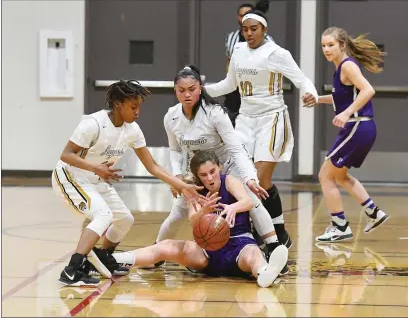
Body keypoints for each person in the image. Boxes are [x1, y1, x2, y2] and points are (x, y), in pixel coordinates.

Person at [52, 80, 204, 287]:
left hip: (96, 179)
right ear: (117, 104)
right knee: (103, 215)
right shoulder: (93, 124)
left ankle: (102, 257)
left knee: (125, 219)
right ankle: (72, 270)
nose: (138, 112)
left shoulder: (132, 130)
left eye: (139, 106)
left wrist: (183, 185)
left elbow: (153, 166)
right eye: (133, 107)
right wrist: (97, 168)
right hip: (70, 177)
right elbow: (66, 155)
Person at [205, 10, 319, 248]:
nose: (248, 33)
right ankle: (260, 234)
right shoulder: (238, 51)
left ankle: (277, 235)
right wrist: (202, 90)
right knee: (239, 177)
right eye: (245, 29)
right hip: (246, 119)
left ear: (264, 30)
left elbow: (302, 80)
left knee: (260, 178)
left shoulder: (277, 53)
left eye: (253, 29)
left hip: (272, 119)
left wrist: (312, 94)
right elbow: (229, 84)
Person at [155, 65, 288, 269]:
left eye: (192, 89)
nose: (187, 94)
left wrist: (250, 178)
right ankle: (157, 252)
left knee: (252, 201)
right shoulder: (170, 117)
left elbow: (235, 148)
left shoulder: (215, 113)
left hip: (226, 166)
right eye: (182, 90)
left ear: (200, 88)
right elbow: (174, 150)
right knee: (177, 214)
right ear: (175, 91)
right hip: (197, 174)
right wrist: (177, 177)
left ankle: (273, 247)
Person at [112, 151, 288, 288]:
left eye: (212, 172)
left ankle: (264, 272)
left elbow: (248, 201)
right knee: (167, 245)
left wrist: (233, 207)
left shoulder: (230, 181)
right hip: (206, 252)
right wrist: (204, 210)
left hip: (239, 244)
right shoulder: (194, 191)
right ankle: (115, 259)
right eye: (204, 175)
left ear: (219, 167)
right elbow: (193, 222)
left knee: (253, 255)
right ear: (198, 176)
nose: (210, 178)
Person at [306, 27, 389, 242]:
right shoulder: (340, 69)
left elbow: (368, 90)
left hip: (358, 126)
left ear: (342, 45)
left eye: (331, 45)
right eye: (323, 45)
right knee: (340, 175)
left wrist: (346, 113)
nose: (326, 49)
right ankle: (374, 212)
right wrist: (317, 99)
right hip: (360, 127)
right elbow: (340, 98)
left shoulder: (348, 65)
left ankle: (340, 225)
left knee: (325, 175)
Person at [224, 2, 272, 126]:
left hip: (256, 91)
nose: (244, 18)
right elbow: (228, 61)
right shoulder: (231, 38)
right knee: (230, 124)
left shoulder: (267, 40)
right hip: (235, 90)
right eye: (241, 16)